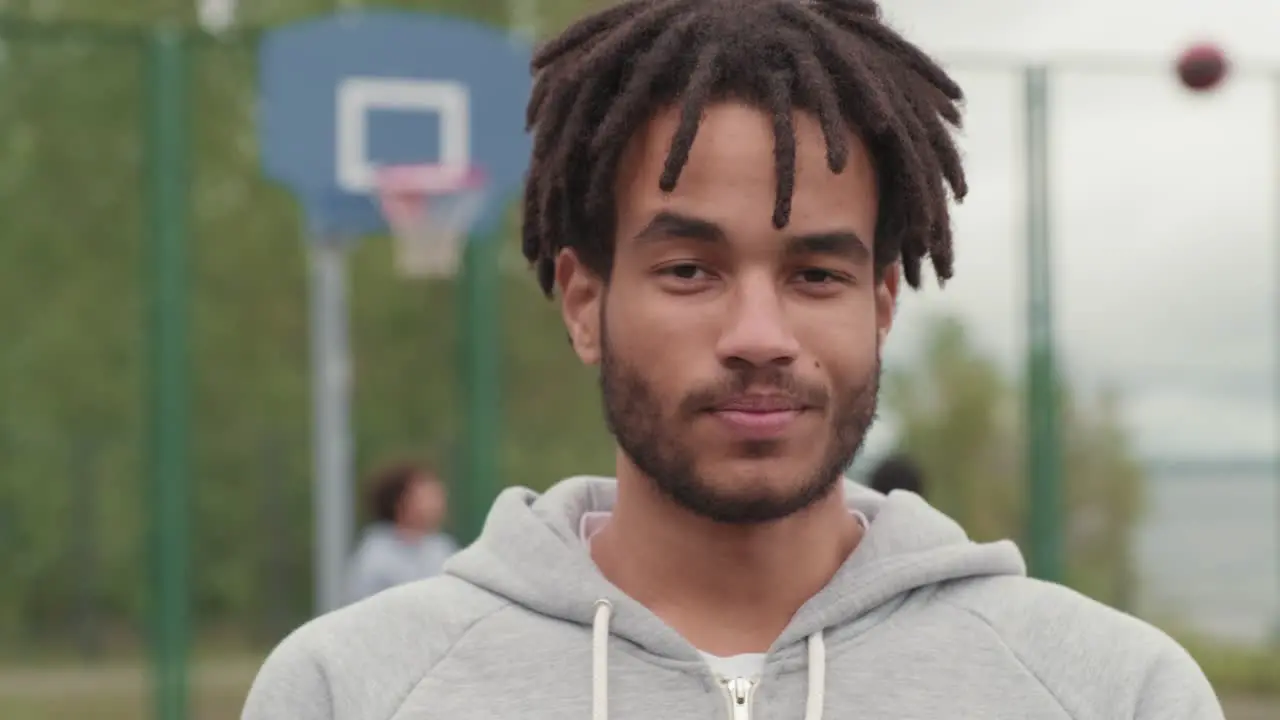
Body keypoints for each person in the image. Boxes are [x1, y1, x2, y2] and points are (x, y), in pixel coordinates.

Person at [244, 1, 1223, 718]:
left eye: (813, 276)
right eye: (687, 269)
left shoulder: (1108, 691)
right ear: (584, 305)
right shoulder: (351, 689)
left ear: (881, 307)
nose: (759, 333)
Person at [344, 461, 458, 604]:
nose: (437, 502)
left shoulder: (441, 548)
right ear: (399, 502)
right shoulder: (375, 556)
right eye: (425, 495)